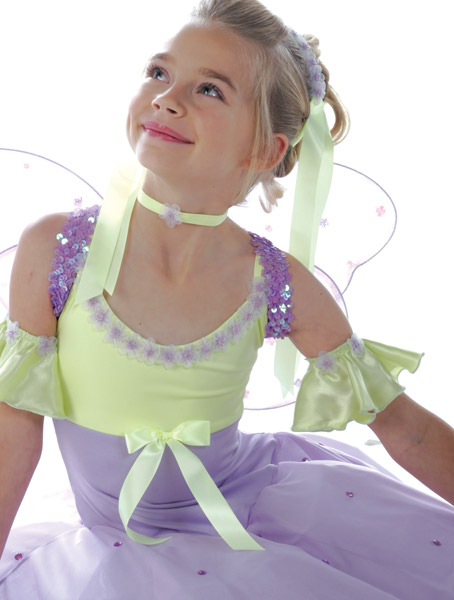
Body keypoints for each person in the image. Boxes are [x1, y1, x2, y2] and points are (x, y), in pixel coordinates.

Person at [1, 0, 453, 597]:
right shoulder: (58, 250)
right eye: (159, 72)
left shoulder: (272, 281)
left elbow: (405, 427)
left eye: (209, 89)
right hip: (113, 548)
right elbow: (12, 426)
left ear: (265, 151)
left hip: (249, 517)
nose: (167, 98)